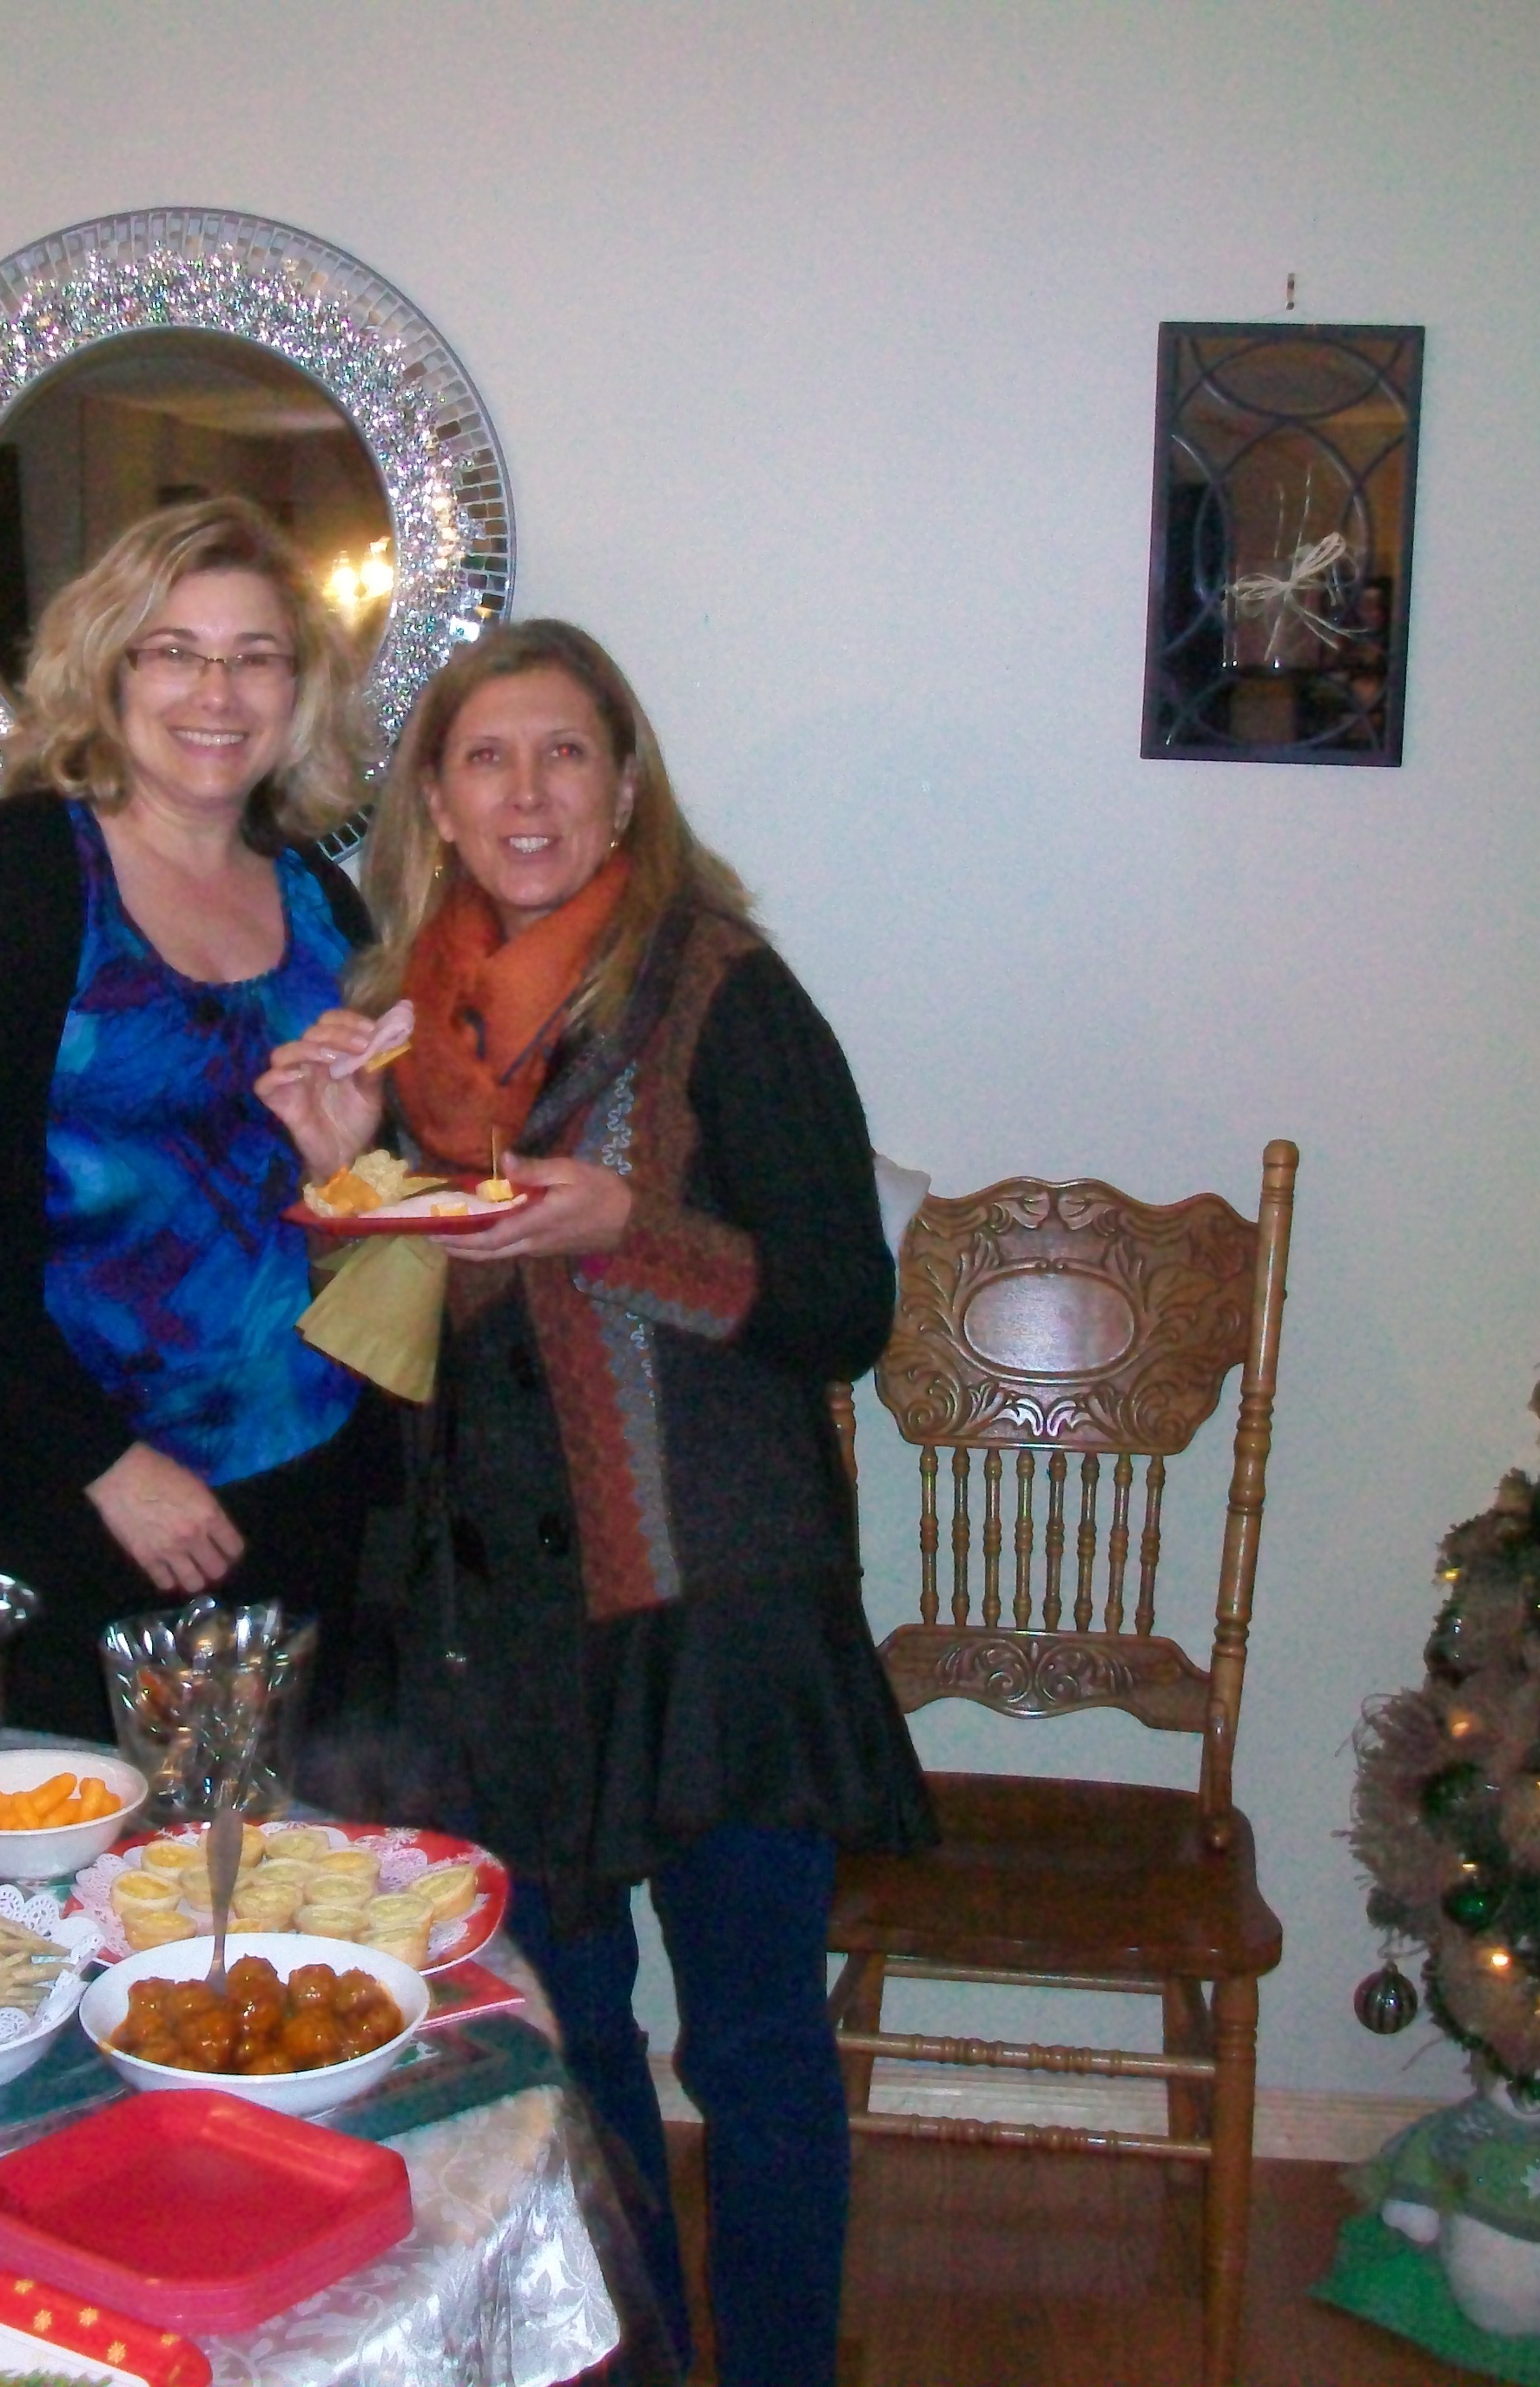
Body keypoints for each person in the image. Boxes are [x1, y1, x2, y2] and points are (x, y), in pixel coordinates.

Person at [259, 620, 932, 2387]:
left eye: (565, 753)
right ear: (435, 798)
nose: (528, 793)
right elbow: (418, 1341)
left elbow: (842, 1307)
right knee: (563, 2050)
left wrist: (622, 1224)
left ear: (626, 786)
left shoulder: (723, 987)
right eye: (487, 757)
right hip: (502, 1637)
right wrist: (341, 1174)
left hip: (712, 1614)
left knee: (755, 2050)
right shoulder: (417, 1018)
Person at [0, 497, 380, 1740]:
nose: (218, 691)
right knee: (76, 1843)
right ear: (108, 671)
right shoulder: (3, 879)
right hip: (61, 1494)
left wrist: (351, 1167)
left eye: (256, 657)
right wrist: (109, 1464)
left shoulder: (324, 903)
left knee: (280, 1848)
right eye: (176, 652)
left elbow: (361, 1219)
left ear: (299, 690)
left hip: (300, 1482)